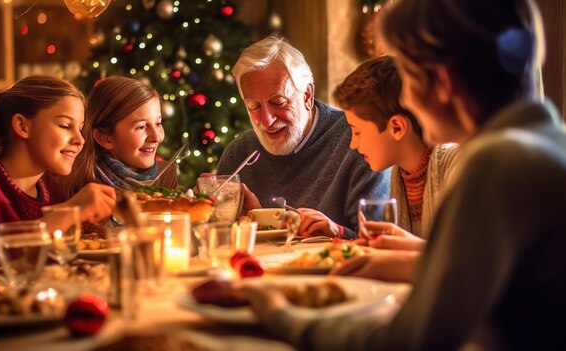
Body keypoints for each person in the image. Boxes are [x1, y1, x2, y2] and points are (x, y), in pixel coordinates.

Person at [243, 0, 566, 349]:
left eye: (408, 75)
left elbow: (408, 340)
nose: (406, 98)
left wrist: (278, 313)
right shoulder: (546, 143)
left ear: (442, 80)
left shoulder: (496, 164)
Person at [218, 35, 389, 239]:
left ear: (307, 95)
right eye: (254, 107)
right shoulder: (239, 154)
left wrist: (335, 232)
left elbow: (377, 243)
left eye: (278, 102)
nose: (267, 121)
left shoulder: (359, 140)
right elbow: (220, 239)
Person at [0, 76, 116, 273]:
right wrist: (67, 213)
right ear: (23, 126)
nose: (80, 140)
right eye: (65, 126)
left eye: (81, 129)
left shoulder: (52, 188)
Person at [333, 55, 458, 251]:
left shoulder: (456, 167)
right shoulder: (400, 175)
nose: (352, 144)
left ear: (397, 128)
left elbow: (469, 259)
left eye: (357, 131)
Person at [65, 76, 177, 197]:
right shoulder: (77, 186)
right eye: (141, 127)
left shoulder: (166, 174)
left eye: (158, 123)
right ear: (105, 138)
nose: (157, 137)